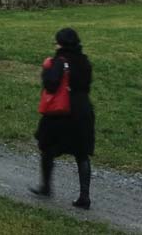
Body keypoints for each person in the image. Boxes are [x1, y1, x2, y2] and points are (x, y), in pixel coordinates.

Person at [30, 27, 95, 210]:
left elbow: (51, 85)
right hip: (83, 110)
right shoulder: (84, 61)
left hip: (61, 112)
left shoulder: (59, 61)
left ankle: (46, 186)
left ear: (61, 43)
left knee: (47, 146)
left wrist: (46, 71)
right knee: (81, 153)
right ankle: (84, 196)